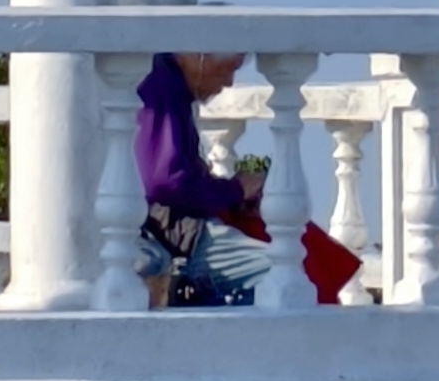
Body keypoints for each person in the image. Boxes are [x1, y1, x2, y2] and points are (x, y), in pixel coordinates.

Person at [133, 52, 363, 306]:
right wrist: (236, 190)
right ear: (200, 57)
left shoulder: (169, 83)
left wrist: (232, 194)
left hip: (175, 223)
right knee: (290, 274)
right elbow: (165, 181)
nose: (229, 82)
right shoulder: (162, 85)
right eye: (229, 69)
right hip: (173, 231)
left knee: (303, 244)